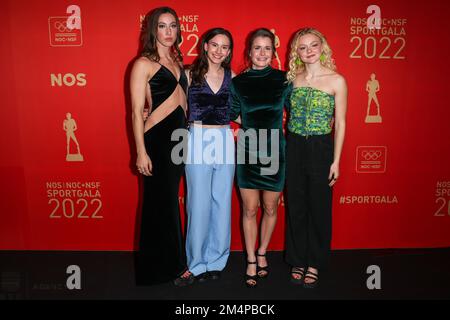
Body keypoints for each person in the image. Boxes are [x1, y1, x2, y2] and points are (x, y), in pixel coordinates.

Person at [130, 6, 194, 287]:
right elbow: (135, 111)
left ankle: (170, 263)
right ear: (153, 30)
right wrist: (141, 151)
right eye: (163, 26)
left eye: (173, 26)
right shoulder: (143, 63)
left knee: (168, 203)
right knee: (161, 204)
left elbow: (187, 103)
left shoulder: (179, 62)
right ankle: (166, 268)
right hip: (157, 139)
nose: (169, 32)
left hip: (179, 138)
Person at [285, 27, 347, 288]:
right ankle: (297, 258)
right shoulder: (293, 80)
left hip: (322, 147)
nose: (308, 51)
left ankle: (315, 262)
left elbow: (341, 123)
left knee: (319, 208)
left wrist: (336, 161)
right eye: (302, 47)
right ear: (296, 52)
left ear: (322, 47)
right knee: (296, 206)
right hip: (294, 145)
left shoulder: (336, 80)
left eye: (313, 45)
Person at [230, 28, 290, 288]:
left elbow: (295, 110)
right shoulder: (238, 82)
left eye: (268, 48)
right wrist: (252, 124)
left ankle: (263, 251)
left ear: (273, 52)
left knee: (270, 207)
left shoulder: (284, 80)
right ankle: (251, 259)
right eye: (257, 48)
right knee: (249, 209)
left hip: (275, 150)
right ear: (249, 51)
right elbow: (232, 112)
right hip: (248, 150)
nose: (262, 53)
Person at [184, 28, 235, 283]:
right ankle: (196, 262)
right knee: (198, 203)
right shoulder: (188, 73)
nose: (219, 51)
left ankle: (217, 259)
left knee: (222, 202)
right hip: (196, 138)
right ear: (205, 46)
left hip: (225, 138)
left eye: (224, 47)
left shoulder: (232, 76)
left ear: (229, 51)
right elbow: (176, 106)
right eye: (214, 45)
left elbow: (238, 111)